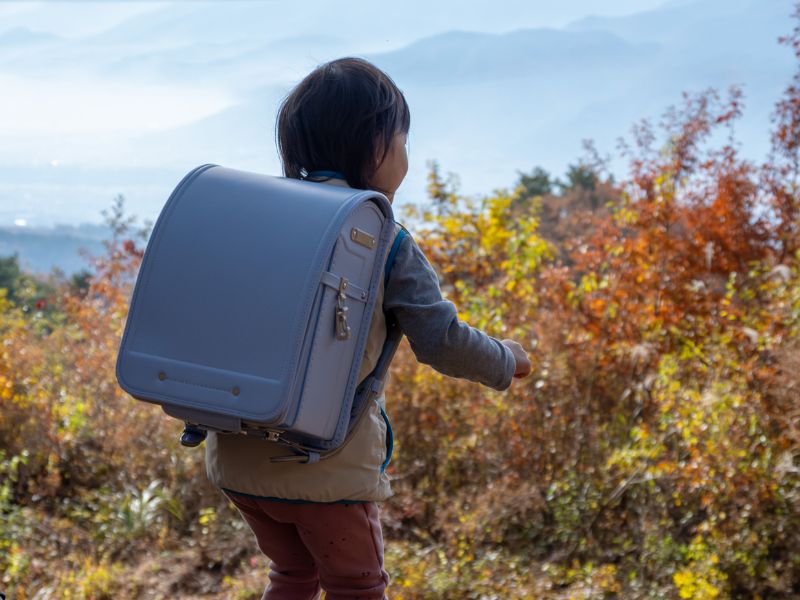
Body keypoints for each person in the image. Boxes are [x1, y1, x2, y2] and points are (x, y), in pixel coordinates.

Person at [204, 57, 533, 600]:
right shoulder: (384, 240)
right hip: (323, 465)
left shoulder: (261, 219)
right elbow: (443, 341)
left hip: (237, 459)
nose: (405, 159)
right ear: (377, 145)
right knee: (357, 585)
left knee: (291, 575)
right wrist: (506, 359)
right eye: (403, 142)